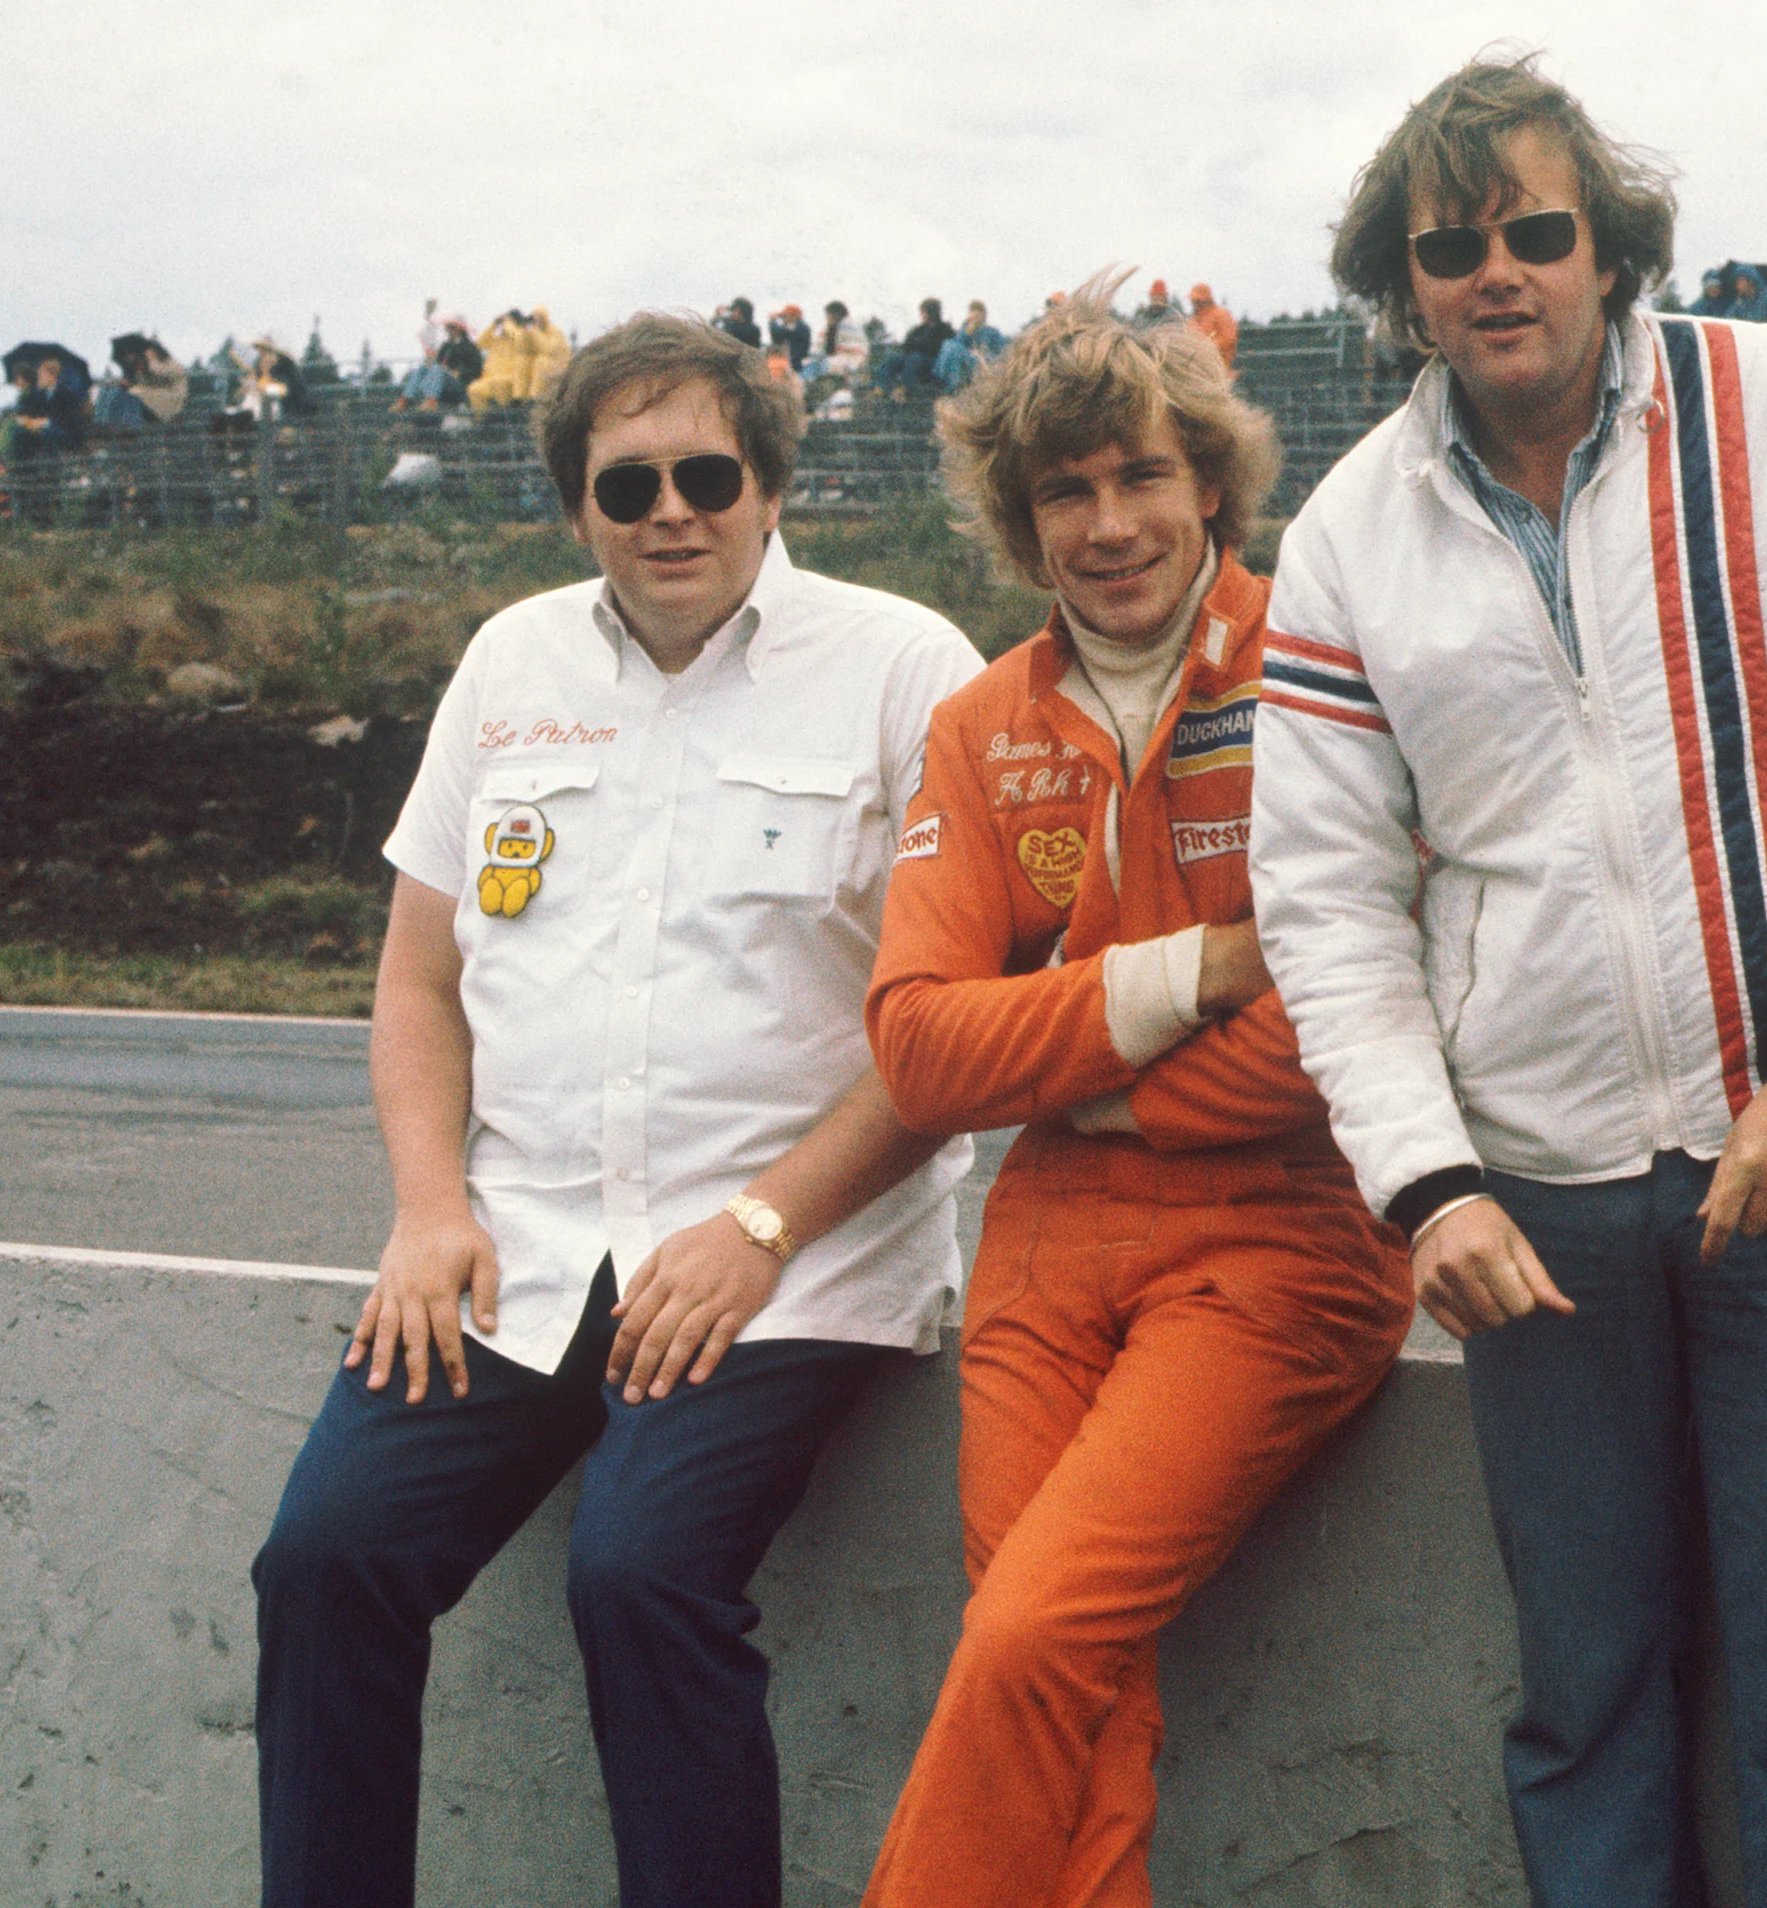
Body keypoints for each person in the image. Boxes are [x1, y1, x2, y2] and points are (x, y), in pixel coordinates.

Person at [1252, 54, 1767, 1908]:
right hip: (1533, 1193)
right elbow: (1326, 896)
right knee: (1585, 1691)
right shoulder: (1349, 529)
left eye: (1533, 230)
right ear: (1398, 281)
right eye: (1447, 247)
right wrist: (1425, 1180)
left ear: (1610, 243)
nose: (1493, 271)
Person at [249, 312, 983, 1908]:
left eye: (708, 473)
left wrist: (763, 1227)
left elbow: (953, 1026)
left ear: (770, 483)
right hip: (519, 1253)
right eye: (626, 482)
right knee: (324, 1561)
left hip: (788, 1266)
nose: (672, 511)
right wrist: (430, 1208)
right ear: (576, 505)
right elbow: (419, 983)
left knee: (639, 1576)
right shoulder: (510, 665)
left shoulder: (905, 667)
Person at [856, 279, 1411, 1908]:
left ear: (1211, 484)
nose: (1109, 523)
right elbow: (917, 1049)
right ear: (1020, 523)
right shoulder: (981, 721)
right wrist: (1182, 980)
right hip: (1047, 1239)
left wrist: (1087, 1080)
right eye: (1065, 491)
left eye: (1141, 476)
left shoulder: (1318, 655)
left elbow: (1348, 1014)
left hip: (1283, 1241)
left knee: (1038, 1630)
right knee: (1063, 1672)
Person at [933, 299, 1006, 394]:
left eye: (978, 315)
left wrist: (983, 355)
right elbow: (954, 347)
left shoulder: (993, 332)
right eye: (972, 314)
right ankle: (944, 380)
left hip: (982, 363)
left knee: (953, 348)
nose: (975, 318)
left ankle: (948, 384)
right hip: (965, 360)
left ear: (984, 315)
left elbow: (1001, 354)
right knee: (948, 344)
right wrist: (967, 331)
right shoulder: (966, 331)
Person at [1184, 281, 1239, 372]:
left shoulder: (1221, 315)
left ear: (1206, 300)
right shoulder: (1193, 320)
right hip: (1196, 366)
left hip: (1219, 366)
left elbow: (1229, 339)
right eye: (1193, 300)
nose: (1194, 303)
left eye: (1197, 300)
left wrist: (1207, 346)